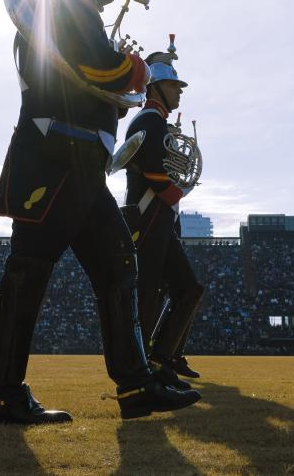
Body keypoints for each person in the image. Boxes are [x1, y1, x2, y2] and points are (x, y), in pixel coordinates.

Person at [0, 0, 200, 423]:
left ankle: (134, 385)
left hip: (73, 165)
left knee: (119, 265)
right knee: (29, 278)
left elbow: (93, 79)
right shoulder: (67, 9)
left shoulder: (60, 11)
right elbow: (105, 70)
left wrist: (119, 81)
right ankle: (4, 392)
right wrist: (137, 70)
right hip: (56, 163)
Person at [123, 37, 204, 382]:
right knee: (157, 291)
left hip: (156, 217)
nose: (180, 91)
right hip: (150, 215)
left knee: (178, 288)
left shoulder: (153, 121)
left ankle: (161, 358)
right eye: (174, 85)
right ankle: (152, 362)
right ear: (156, 87)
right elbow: (156, 171)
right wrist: (176, 193)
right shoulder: (149, 121)